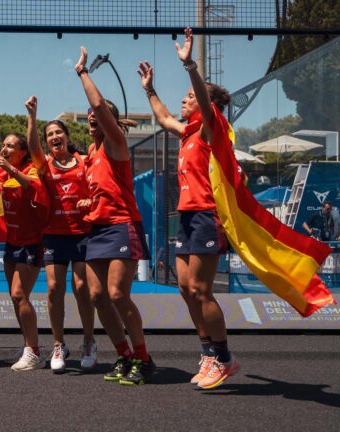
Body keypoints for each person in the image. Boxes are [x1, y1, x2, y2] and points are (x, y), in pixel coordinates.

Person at [137, 27, 238, 389]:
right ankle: (208, 352)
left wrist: (189, 65)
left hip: (207, 215)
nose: (184, 99)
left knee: (201, 289)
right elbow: (164, 118)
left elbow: (204, 104)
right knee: (184, 287)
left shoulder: (212, 127)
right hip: (188, 216)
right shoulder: (189, 132)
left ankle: (225, 358)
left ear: (205, 103)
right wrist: (149, 90)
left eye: (190, 96)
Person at [75, 46, 155, 386]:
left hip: (122, 226)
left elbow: (97, 105)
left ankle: (143, 358)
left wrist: (83, 73)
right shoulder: (92, 152)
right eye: (90, 115)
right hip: (98, 229)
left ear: (109, 120)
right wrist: (88, 203)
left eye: (100, 114)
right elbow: (102, 189)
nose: (93, 116)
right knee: (97, 296)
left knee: (118, 295)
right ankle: (123, 354)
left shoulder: (115, 142)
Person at [25, 96, 102, 373]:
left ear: (67, 137)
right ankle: (59, 344)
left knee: (82, 288)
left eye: (58, 132)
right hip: (54, 236)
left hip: (82, 234)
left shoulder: (85, 161)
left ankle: (89, 341)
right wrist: (32, 117)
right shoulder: (44, 164)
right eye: (50, 135)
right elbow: (32, 146)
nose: (54, 137)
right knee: (54, 289)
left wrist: (91, 201)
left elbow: (100, 187)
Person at [0, 111, 48, 371]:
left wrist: (8, 168)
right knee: (16, 298)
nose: (4, 149)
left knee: (19, 294)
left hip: (32, 241)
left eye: (10, 146)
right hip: (12, 241)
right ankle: (28, 346)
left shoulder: (31, 169)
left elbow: (31, 186)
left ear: (23, 152)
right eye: (3, 145)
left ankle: (34, 351)